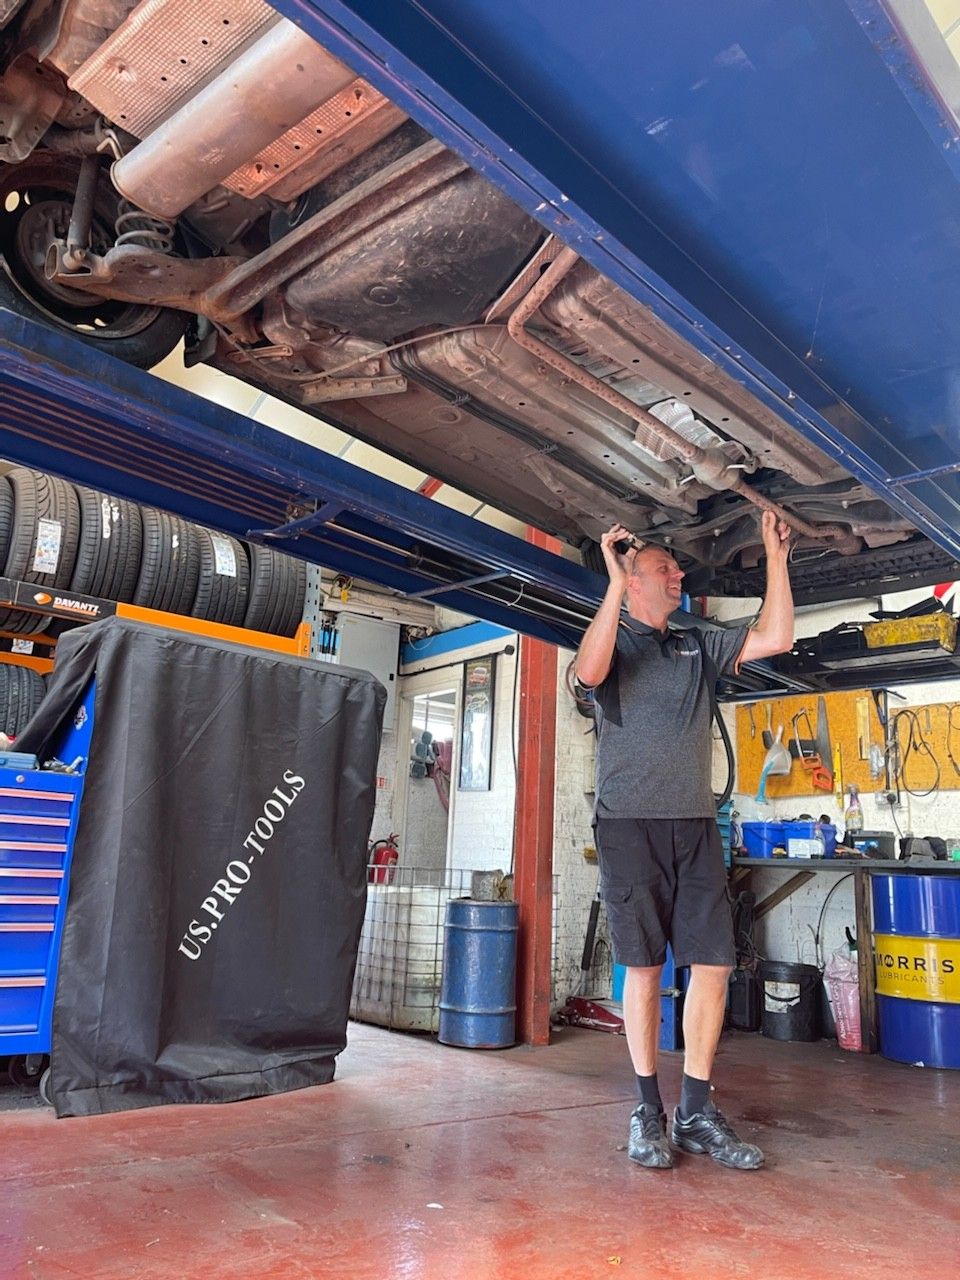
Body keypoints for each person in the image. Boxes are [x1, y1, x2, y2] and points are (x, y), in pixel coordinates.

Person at [575, 510, 793, 1170]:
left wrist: (775, 557)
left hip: (696, 827)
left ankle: (696, 1111)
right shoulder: (615, 644)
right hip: (628, 828)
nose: (678, 574)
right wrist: (613, 582)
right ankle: (648, 1109)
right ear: (633, 582)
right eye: (664, 568)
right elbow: (587, 673)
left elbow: (776, 637)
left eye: (676, 567)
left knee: (715, 965)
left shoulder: (696, 643)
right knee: (643, 969)